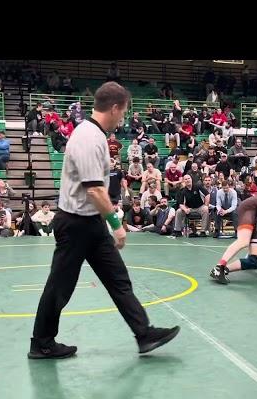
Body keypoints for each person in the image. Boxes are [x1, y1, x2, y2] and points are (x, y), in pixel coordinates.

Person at [30, 82, 180, 360]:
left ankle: (143, 334)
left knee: (118, 279)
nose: (123, 118)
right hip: (76, 224)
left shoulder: (95, 135)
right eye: (123, 112)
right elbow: (95, 189)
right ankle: (41, 342)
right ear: (114, 108)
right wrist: (117, 224)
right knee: (59, 286)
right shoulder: (89, 137)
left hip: (90, 222)